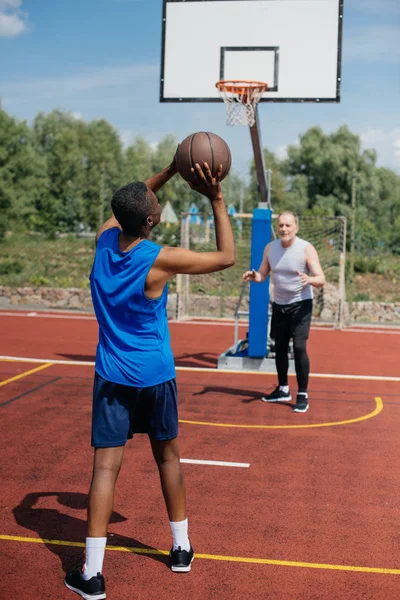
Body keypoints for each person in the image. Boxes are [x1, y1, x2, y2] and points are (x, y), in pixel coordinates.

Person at [64, 157, 235, 599]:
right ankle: (180, 548)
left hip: (113, 375)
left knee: (105, 469)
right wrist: (216, 199)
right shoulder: (158, 259)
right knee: (169, 460)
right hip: (155, 375)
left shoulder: (103, 242)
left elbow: (133, 195)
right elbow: (227, 257)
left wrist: (173, 168)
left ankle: (93, 574)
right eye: (155, 203)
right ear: (153, 220)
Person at [242, 210, 325, 414]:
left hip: (301, 304)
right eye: (281, 225)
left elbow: (321, 278)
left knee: (298, 347)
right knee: (279, 347)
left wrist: (310, 280)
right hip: (280, 304)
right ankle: (283, 388)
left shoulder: (306, 249)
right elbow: (263, 274)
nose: (284, 229)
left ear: (296, 227)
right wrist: (255, 275)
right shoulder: (271, 248)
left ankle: (303, 393)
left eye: (288, 225)